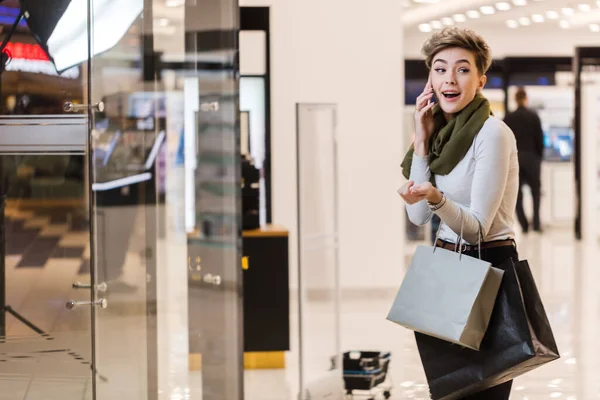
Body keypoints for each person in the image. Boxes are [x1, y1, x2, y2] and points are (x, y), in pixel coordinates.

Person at [398, 27, 519, 399]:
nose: (449, 78)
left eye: (463, 69)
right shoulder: (438, 134)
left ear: (480, 80)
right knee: (448, 388)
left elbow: (478, 230)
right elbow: (417, 219)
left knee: (483, 390)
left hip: (489, 266)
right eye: (439, 68)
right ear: (430, 78)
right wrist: (420, 141)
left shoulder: (492, 134)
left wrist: (435, 197)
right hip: (446, 261)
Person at [503, 87, 544, 233]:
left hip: (516, 159)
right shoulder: (534, 116)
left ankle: (524, 225)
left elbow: (504, 141)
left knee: (516, 194)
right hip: (532, 158)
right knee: (536, 192)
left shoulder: (508, 118)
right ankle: (537, 224)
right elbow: (540, 140)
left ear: (515, 99)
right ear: (525, 99)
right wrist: (539, 157)